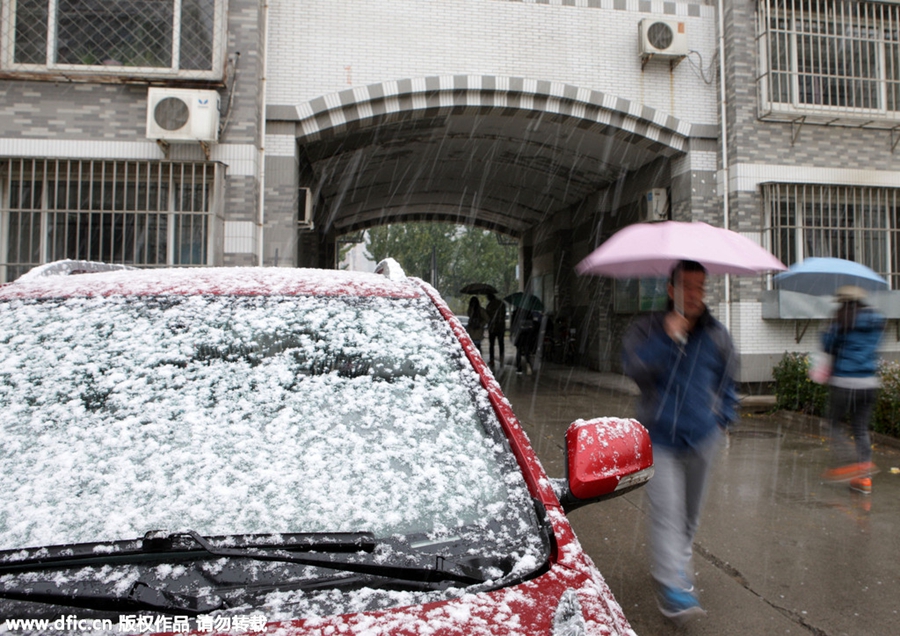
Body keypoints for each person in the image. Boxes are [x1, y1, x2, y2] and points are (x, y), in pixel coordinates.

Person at [621, 260, 738, 625]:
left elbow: (729, 380)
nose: (695, 295)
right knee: (667, 513)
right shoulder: (647, 328)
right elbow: (634, 368)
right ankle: (673, 585)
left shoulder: (716, 333)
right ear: (670, 290)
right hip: (660, 438)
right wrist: (667, 341)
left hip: (701, 437)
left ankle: (676, 567)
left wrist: (722, 419)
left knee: (689, 514)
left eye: (700, 287)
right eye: (687, 286)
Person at [820, 285, 885, 495]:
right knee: (860, 428)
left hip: (845, 382)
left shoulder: (842, 320)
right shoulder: (875, 321)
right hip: (869, 383)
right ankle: (863, 478)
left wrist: (829, 328)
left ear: (845, 303)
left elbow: (828, 347)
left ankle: (849, 462)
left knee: (830, 424)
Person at [486, 292, 507, 367]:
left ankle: (492, 360)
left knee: (491, 344)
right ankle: (502, 358)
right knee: (501, 343)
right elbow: (504, 314)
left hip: (492, 328)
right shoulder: (502, 304)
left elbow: (487, 316)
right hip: (501, 327)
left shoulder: (489, 305)